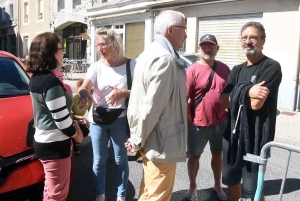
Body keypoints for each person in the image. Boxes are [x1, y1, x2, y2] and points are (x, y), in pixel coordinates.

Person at [125, 10, 188, 201]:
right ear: (171, 30)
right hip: (162, 142)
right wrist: (136, 139)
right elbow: (151, 107)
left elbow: (141, 101)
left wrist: (137, 136)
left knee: (147, 192)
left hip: (152, 138)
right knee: (157, 196)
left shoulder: (148, 54)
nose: (186, 35)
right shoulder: (165, 59)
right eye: (184, 29)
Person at [221, 21, 282, 201]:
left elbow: (256, 105)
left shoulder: (271, 67)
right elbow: (224, 100)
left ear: (263, 41)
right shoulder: (237, 70)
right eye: (244, 38)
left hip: (255, 139)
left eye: (253, 38)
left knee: (253, 190)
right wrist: (248, 90)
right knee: (232, 182)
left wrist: (238, 92)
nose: (248, 41)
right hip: (231, 135)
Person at [78, 27, 136, 201]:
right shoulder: (96, 66)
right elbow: (84, 85)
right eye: (98, 45)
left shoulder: (131, 65)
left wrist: (123, 93)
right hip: (98, 120)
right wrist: (82, 92)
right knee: (98, 161)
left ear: (115, 43)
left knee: (121, 160)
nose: (100, 48)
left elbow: (143, 92)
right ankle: (100, 194)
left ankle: (121, 195)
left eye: (104, 44)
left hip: (120, 119)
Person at [27, 32, 83, 201]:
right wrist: (77, 135)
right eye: (61, 49)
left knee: (50, 189)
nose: (63, 52)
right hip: (54, 144)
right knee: (57, 193)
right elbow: (62, 121)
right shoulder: (50, 82)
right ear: (51, 52)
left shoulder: (36, 78)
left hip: (44, 141)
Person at [186, 34, 230, 201]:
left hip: (221, 121)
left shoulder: (225, 68)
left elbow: (229, 94)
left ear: (217, 48)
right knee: (194, 155)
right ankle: (193, 185)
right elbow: (183, 99)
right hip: (198, 123)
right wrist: (189, 120)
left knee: (218, 154)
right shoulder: (192, 70)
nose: (208, 49)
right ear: (199, 49)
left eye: (211, 46)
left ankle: (217, 185)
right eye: (204, 46)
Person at [71, 79, 93, 155]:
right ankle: (73, 146)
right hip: (70, 120)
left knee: (86, 131)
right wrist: (82, 118)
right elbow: (68, 114)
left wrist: (89, 121)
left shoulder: (89, 100)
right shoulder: (74, 97)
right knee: (73, 130)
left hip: (78, 121)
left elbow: (91, 112)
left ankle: (76, 141)